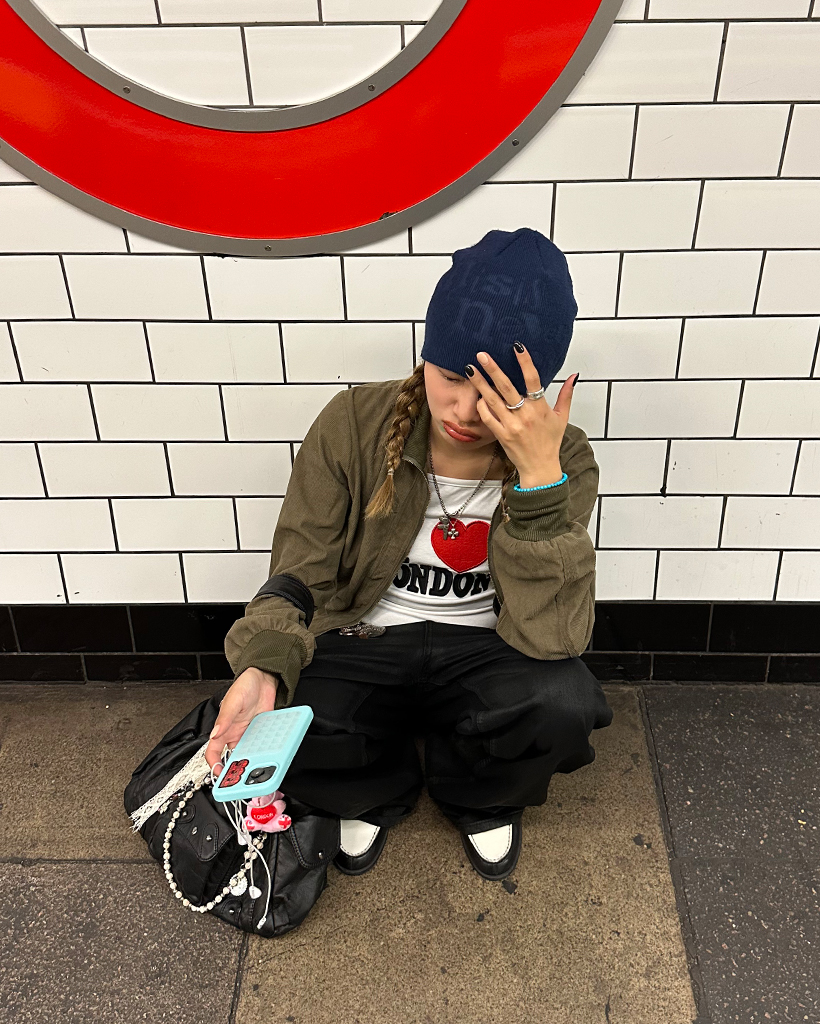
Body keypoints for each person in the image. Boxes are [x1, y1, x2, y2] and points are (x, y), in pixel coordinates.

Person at [204, 227, 614, 887]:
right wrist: (266, 663)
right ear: (426, 355)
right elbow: (300, 568)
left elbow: (553, 637)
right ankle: (368, 786)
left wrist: (539, 481)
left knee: (563, 704)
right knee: (276, 717)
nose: (466, 411)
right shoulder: (355, 422)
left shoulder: (564, 457)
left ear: (534, 390)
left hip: (489, 650)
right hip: (363, 639)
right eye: (451, 377)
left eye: (498, 392)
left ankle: (480, 794)